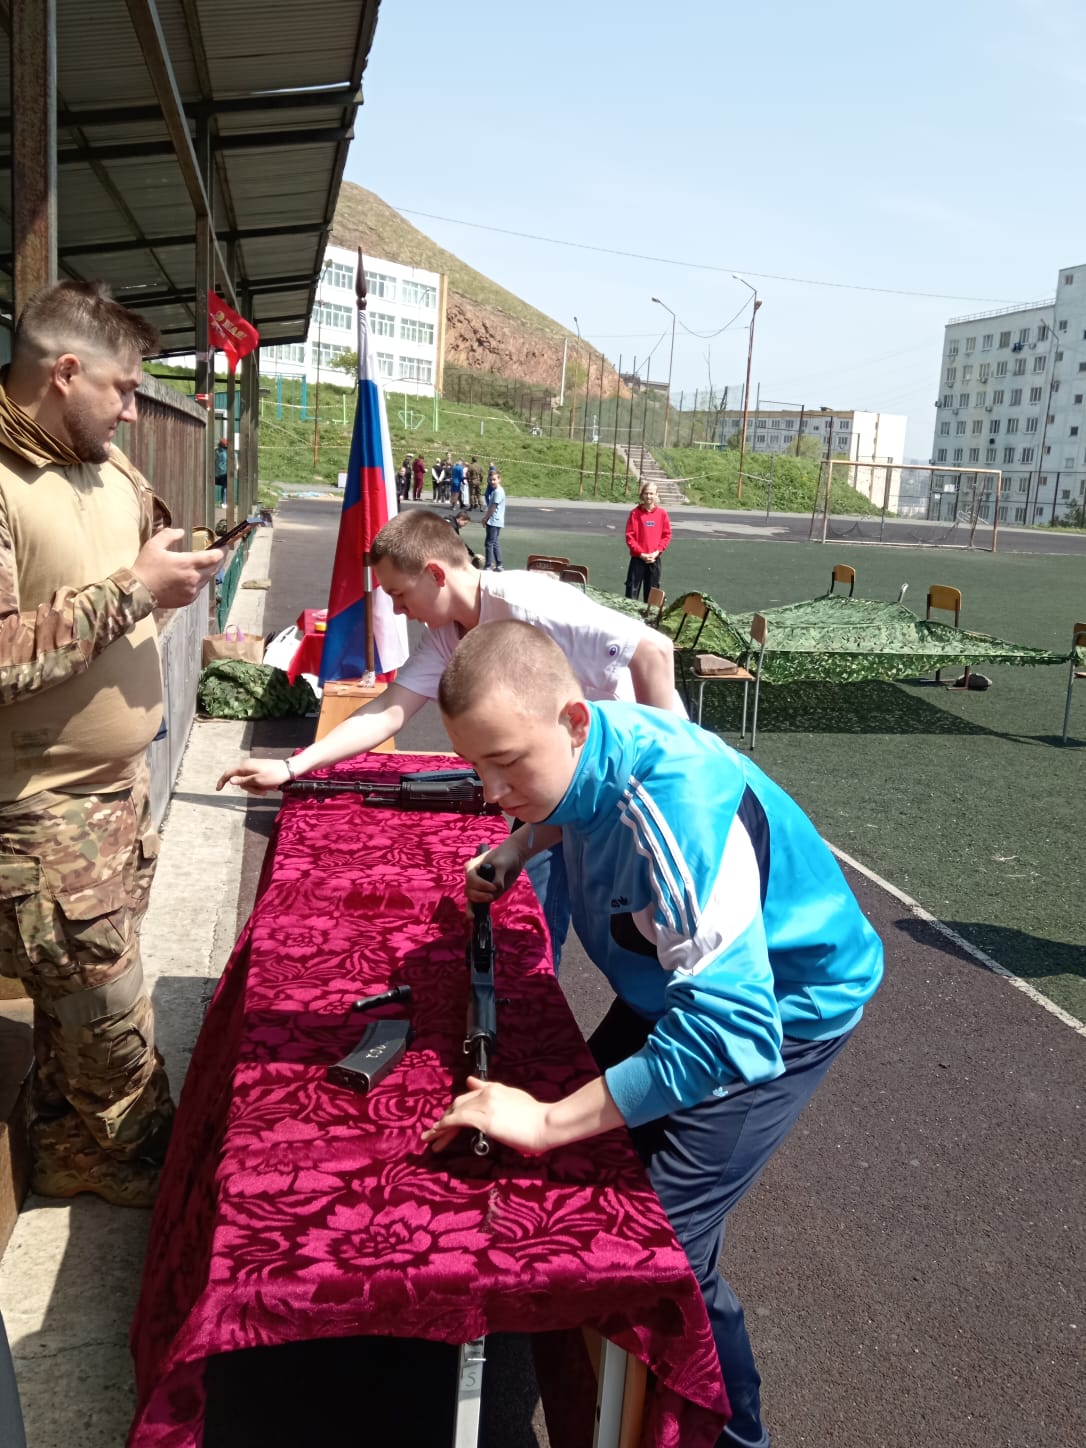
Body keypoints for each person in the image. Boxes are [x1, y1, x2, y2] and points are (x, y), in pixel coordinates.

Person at [424, 620, 884, 1448]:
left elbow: (729, 1032)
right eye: (476, 765)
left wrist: (549, 1119)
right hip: (677, 990)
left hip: (779, 1013)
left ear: (572, 720)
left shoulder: (676, 810)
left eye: (506, 763)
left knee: (660, 1248)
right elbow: (578, 794)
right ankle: (588, 1371)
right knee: (576, 1156)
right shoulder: (584, 743)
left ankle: (736, 1436)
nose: (489, 790)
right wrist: (521, 841)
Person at [217, 509, 681, 963]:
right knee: (537, 917)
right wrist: (292, 766)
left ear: (435, 574)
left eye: (399, 594)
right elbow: (388, 712)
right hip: (560, 788)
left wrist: (670, 779)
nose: (398, 609)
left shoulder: (529, 603)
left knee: (645, 935)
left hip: (627, 785)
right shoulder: (447, 633)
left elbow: (654, 651)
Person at [0, 279, 224, 1207]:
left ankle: (69, 1155)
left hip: (114, 794)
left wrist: (184, 563)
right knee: (111, 1021)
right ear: (64, 373)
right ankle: (149, 1175)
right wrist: (135, 590)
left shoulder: (104, 462)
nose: (134, 411)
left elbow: (144, 548)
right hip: (43, 810)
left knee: (76, 1014)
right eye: (123, 390)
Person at [624, 481, 671, 602]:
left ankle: (650, 614)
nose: (649, 496)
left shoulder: (662, 514)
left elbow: (666, 535)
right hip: (638, 559)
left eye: (651, 493)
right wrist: (641, 554)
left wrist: (657, 552)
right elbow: (630, 536)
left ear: (656, 495)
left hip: (654, 559)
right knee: (631, 592)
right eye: (646, 493)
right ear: (642, 495)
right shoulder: (635, 513)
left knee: (652, 595)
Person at [482, 467, 506, 571]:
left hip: (494, 520)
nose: (492, 481)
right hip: (496, 520)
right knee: (495, 542)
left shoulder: (498, 492)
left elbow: (493, 507)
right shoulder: (496, 490)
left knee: (489, 543)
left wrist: (485, 518)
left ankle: (488, 566)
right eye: (490, 480)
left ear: (499, 480)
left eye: (494, 479)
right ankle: (499, 564)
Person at [214, 436, 228, 507]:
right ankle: (223, 502)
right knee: (225, 487)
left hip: (216, 473)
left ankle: (223, 502)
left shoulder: (216, 451)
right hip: (224, 473)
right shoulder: (226, 452)